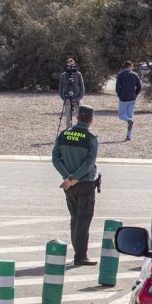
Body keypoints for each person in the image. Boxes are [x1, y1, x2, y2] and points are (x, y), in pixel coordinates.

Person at [51, 104, 99, 266]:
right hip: (85, 183)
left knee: (74, 218)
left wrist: (68, 177)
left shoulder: (64, 135)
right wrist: (75, 177)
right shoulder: (91, 138)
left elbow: (55, 159)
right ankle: (81, 255)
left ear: (77, 117)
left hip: (69, 185)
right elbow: (89, 162)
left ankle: (77, 250)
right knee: (83, 220)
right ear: (91, 120)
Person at [115, 60, 142, 141]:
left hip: (123, 98)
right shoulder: (135, 75)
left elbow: (117, 87)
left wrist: (119, 94)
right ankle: (128, 136)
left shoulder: (120, 75)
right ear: (130, 66)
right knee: (130, 116)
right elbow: (139, 87)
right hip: (132, 98)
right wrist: (135, 94)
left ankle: (129, 121)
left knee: (121, 115)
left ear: (124, 66)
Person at [58, 58, 85, 126]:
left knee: (80, 115)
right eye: (69, 65)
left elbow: (82, 87)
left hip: (76, 97)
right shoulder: (63, 75)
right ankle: (68, 130)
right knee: (68, 116)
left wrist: (80, 97)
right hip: (67, 98)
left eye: (72, 64)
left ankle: (79, 128)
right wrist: (64, 98)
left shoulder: (78, 74)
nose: (70, 66)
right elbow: (60, 88)